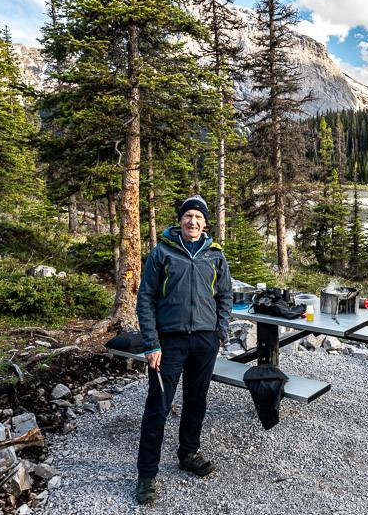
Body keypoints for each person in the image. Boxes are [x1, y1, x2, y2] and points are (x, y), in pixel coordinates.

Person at [134, 195, 232, 504]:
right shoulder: (162, 253)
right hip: (169, 343)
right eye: (188, 216)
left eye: (198, 218)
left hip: (204, 341)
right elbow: (145, 299)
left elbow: (225, 295)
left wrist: (221, 330)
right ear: (180, 220)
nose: (193, 221)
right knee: (158, 408)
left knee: (196, 401)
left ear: (205, 223)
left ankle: (188, 453)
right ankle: (147, 475)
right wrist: (151, 342)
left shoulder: (215, 255)